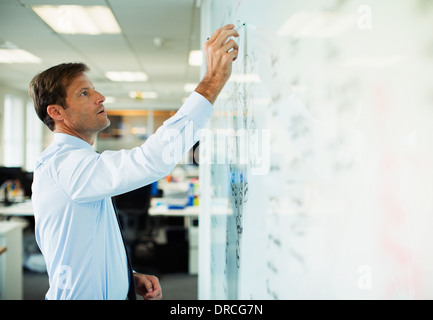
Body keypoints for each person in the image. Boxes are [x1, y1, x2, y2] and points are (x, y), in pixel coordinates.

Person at [28, 24, 239, 300]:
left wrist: (123, 277)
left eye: (93, 90)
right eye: (84, 93)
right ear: (56, 112)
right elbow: (152, 160)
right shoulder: (64, 165)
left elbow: (83, 243)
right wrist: (211, 82)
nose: (100, 97)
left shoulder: (77, 162)